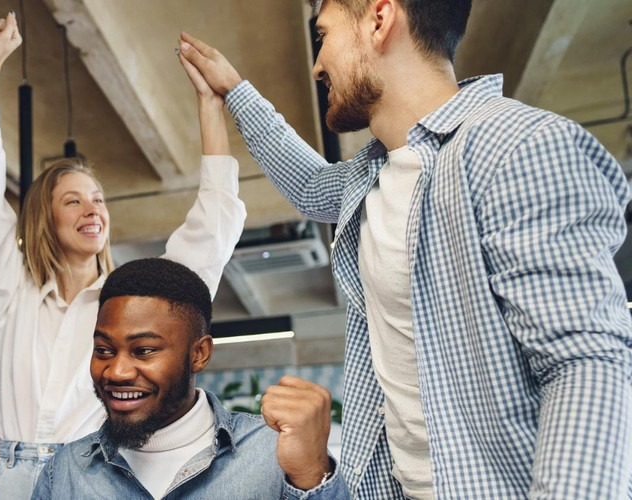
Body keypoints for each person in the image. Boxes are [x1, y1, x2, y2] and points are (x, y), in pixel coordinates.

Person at [177, 0, 632, 497]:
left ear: (379, 18)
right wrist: (235, 92)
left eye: (323, 35)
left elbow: (582, 362)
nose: (316, 64)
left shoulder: (516, 147)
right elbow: (309, 184)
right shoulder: (375, 172)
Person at [0, 13, 247, 498]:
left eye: (97, 199)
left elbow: (215, 225)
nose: (92, 208)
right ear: (43, 219)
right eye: (72, 200)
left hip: (94, 477)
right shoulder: (11, 290)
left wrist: (209, 106)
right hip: (4, 476)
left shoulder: (134, 300)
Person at [0, 258, 349, 499]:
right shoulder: (69, 468)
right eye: (103, 350)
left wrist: (311, 476)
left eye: (144, 350)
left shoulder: (270, 455)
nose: (116, 371)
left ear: (199, 353)